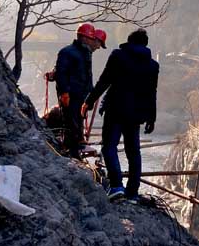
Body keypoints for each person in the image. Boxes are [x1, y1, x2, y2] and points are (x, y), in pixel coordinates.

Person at [83, 28, 159, 203]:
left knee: (109, 147)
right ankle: (132, 193)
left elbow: (104, 81)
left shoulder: (118, 55)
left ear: (129, 41)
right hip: (136, 115)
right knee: (134, 152)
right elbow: (151, 93)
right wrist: (151, 118)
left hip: (115, 110)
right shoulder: (152, 65)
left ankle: (117, 186)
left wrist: (89, 101)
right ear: (145, 44)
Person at [54, 23, 104, 158]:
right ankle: (72, 152)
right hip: (71, 95)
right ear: (85, 38)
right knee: (71, 123)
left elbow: (86, 76)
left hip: (81, 95)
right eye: (91, 39)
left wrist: (90, 94)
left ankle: (75, 149)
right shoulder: (67, 52)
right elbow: (61, 73)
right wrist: (64, 92)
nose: (94, 42)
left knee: (78, 122)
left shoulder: (85, 53)